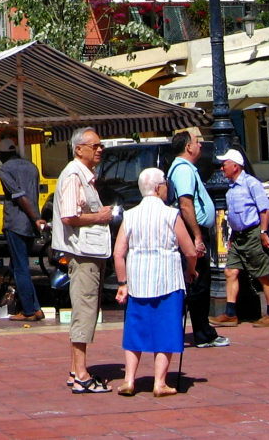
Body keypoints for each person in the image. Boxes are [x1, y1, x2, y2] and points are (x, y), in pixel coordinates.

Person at [113, 168, 198, 398]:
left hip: (138, 281)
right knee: (167, 330)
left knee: (135, 330)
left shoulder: (130, 215)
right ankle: (159, 382)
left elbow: (118, 253)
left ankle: (129, 379)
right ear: (159, 188)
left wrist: (123, 282)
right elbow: (190, 251)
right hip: (168, 280)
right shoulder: (171, 215)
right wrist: (191, 271)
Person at [51, 126, 114, 393]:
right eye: (95, 145)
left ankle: (75, 369)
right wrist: (100, 217)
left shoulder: (83, 176)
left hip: (90, 251)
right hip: (83, 252)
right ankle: (82, 376)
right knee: (85, 310)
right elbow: (69, 216)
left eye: (100, 145)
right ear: (79, 149)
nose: (100, 149)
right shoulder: (73, 175)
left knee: (86, 308)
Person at [166, 128, 228, 348]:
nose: (201, 145)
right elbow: (186, 203)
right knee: (199, 283)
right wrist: (197, 236)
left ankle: (202, 331)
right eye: (197, 141)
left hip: (196, 230)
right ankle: (202, 333)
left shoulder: (186, 168)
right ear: (188, 147)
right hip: (194, 231)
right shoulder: (183, 170)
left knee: (199, 281)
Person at [211, 149, 269, 327]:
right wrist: (232, 235)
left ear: (235, 165)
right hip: (238, 237)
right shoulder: (231, 188)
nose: (221, 167)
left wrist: (263, 233)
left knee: (263, 275)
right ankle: (231, 313)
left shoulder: (251, 183)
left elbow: (264, 210)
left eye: (224, 164)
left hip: (252, 234)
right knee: (230, 271)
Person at [0, 137, 46, 321]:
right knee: (20, 264)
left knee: (20, 268)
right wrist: (35, 218)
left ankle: (28, 311)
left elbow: (19, 195)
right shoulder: (32, 167)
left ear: (1, 154)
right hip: (31, 224)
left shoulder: (4, 170)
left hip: (16, 222)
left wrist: (35, 217)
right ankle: (36, 307)